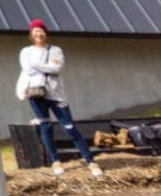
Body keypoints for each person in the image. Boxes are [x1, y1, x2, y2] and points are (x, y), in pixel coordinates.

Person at [16, 19, 103, 177]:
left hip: (56, 95)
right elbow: (27, 69)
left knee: (70, 128)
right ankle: (55, 161)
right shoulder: (25, 51)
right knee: (46, 128)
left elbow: (56, 68)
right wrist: (42, 66)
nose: (39, 33)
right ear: (31, 34)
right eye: (35, 31)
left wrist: (36, 65)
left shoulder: (55, 50)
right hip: (36, 93)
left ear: (46, 33)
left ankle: (91, 161)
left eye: (41, 30)